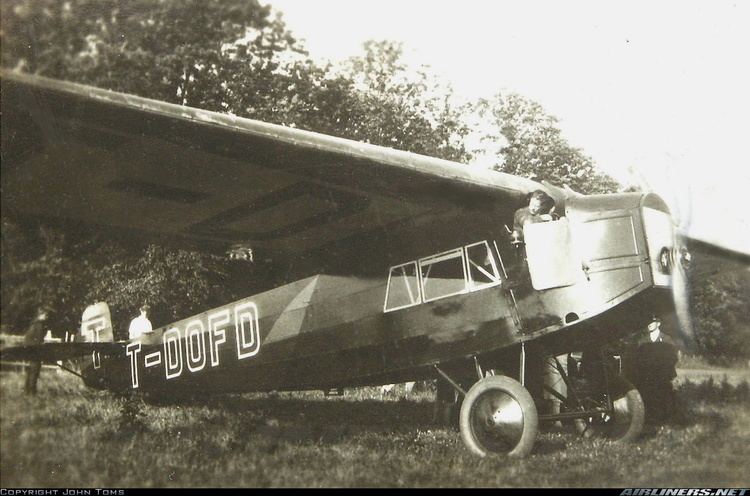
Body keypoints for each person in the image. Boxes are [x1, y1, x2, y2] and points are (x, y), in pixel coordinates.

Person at [24, 306, 50, 395]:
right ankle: (32, 392)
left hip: (30, 350)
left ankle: (27, 391)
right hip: (35, 351)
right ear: (41, 315)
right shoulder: (39, 325)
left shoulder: (33, 323)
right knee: (35, 371)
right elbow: (39, 340)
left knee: (31, 371)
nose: (47, 317)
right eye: (46, 315)